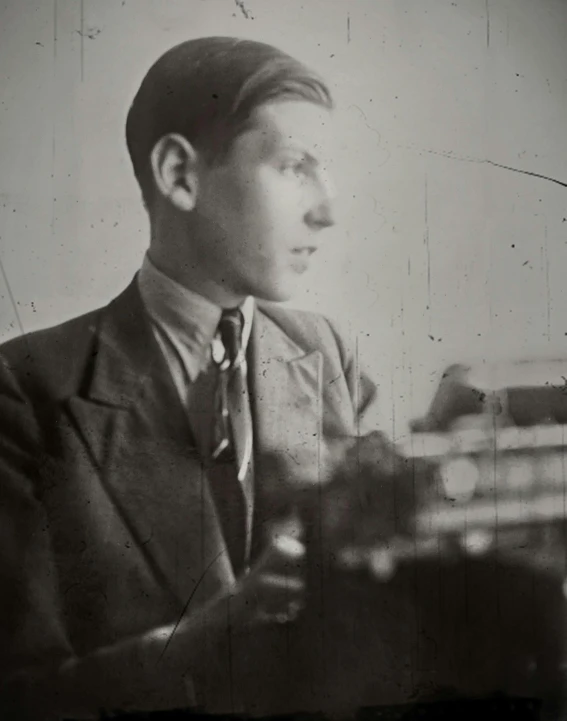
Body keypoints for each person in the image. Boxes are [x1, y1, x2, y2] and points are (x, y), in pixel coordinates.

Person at [0, 37, 387, 719]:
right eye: (295, 166)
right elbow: (20, 696)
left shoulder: (326, 355)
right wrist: (205, 637)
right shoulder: (25, 388)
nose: (326, 209)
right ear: (179, 173)